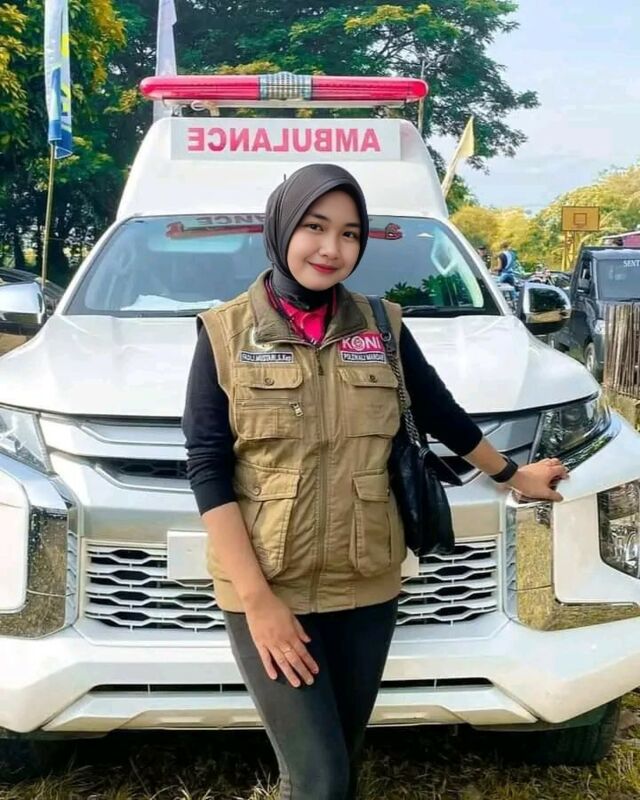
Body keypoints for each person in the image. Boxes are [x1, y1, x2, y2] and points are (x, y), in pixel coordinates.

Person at [182, 164, 568, 800]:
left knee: (344, 759)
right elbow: (207, 467)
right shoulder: (224, 333)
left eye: (350, 233)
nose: (331, 248)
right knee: (320, 779)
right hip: (271, 586)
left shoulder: (381, 326)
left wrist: (512, 473)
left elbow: (440, 413)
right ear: (281, 228)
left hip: (366, 584)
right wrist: (258, 602)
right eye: (315, 227)